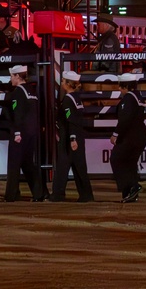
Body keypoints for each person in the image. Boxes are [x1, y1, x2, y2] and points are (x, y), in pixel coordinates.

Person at [51, 70, 95, 202]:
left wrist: (72, 138)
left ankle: (58, 194)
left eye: (63, 81)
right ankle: (86, 195)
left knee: (63, 168)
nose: (62, 83)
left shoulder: (69, 101)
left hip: (69, 138)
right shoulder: (77, 99)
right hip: (76, 136)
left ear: (68, 84)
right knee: (79, 167)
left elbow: (71, 120)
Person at [1, 65, 43, 202]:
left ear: (18, 76)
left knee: (14, 165)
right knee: (28, 164)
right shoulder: (31, 90)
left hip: (20, 132)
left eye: (12, 76)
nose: (11, 79)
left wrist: (17, 132)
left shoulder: (18, 92)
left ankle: (11, 195)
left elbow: (17, 113)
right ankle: (39, 193)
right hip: (32, 132)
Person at [110, 73, 146, 203]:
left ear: (125, 86)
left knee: (116, 159)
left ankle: (133, 186)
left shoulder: (128, 98)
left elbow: (125, 120)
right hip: (140, 135)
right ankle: (130, 194)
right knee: (130, 163)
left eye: (120, 87)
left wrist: (115, 134)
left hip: (131, 136)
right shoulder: (139, 96)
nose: (119, 89)